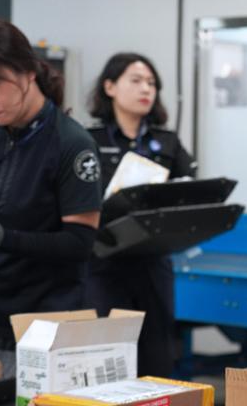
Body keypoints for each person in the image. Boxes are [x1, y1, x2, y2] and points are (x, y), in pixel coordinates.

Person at [0, 18, 102, 367]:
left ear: (27, 72)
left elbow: (79, 244)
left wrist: (0, 238)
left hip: (47, 320)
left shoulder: (72, 144)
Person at [85, 53, 196, 377]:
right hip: (104, 263)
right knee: (107, 359)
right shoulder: (89, 140)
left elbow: (191, 192)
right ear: (109, 86)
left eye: (151, 83)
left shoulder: (167, 142)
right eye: (135, 80)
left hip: (153, 263)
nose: (146, 89)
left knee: (157, 358)